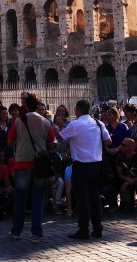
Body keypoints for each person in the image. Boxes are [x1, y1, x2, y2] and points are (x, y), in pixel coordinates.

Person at [59, 99, 111, 240]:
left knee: (83, 199)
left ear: (77, 110)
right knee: (95, 197)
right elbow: (108, 141)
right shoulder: (98, 123)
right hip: (96, 165)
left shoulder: (75, 125)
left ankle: (83, 229)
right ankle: (97, 228)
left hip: (81, 165)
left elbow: (60, 137)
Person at [8, 93, 55, 243]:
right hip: (39, 165)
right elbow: (51, 145)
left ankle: (16, 231)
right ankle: (36, 233)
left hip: (22, 162)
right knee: (38, 199)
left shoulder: (18, 122)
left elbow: (9, 141)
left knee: (20, 199)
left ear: (26, 106)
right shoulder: (46, 122)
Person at [115, 137, 137, 212]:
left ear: (130, 147)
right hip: (125, 179)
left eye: (123, 145)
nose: (121, 146)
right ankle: (125, 204)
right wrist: (126, 180)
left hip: (136, 180)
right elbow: (119, 173)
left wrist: (128, 182)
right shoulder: (120, 157)